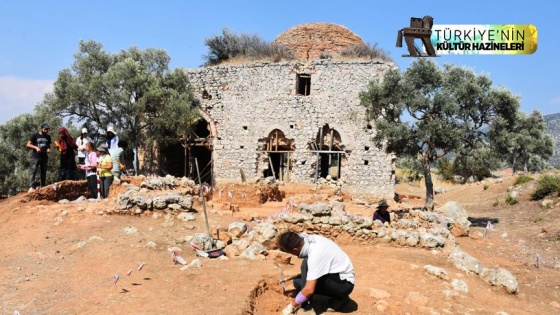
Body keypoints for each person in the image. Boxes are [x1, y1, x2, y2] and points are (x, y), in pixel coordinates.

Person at [277, 231, 356, 314]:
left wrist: (291, 306)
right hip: (335, 277)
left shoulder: (314, 255)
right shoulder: (309, 239)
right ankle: (333, 298)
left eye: (290, 253)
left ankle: (308, 307)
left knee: (307, 279)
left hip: (344, 284)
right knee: (297, 282)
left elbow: (309, 290)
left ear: (295, 250)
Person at [26, 123, 52, 192]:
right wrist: (36, 147)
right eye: (45, 129)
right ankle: (31, 187)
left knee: (43, 172)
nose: (46, 131)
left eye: (47, 129)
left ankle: (43, 186)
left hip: (44, 157)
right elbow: (28, 144)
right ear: (41, 128)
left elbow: (48, 146)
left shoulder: (48, 137)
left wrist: (49, 149)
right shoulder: (35, 135)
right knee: (33, 171)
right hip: (36, 157)